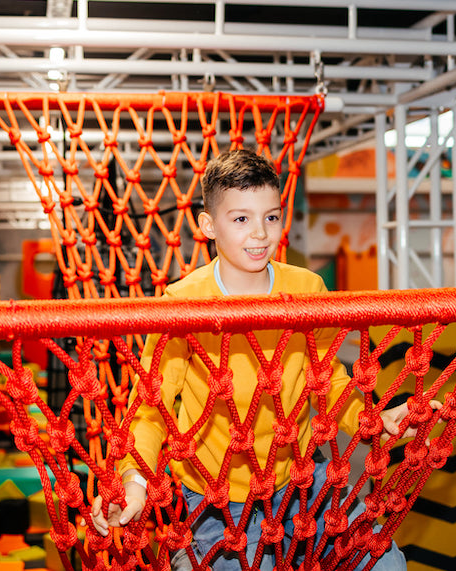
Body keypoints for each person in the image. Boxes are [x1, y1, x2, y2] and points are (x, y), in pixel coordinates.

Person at [88, 149, 429, 570]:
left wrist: (374, 418)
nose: (260, 234)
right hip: (216, 496)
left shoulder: (305, 290)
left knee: (386, 563)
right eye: (240, 219)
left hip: (300, 480)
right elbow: (150, 409)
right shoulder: (183, 303)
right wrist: (135, 481)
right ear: (208, 226)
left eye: (270, 217)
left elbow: (329, 382)